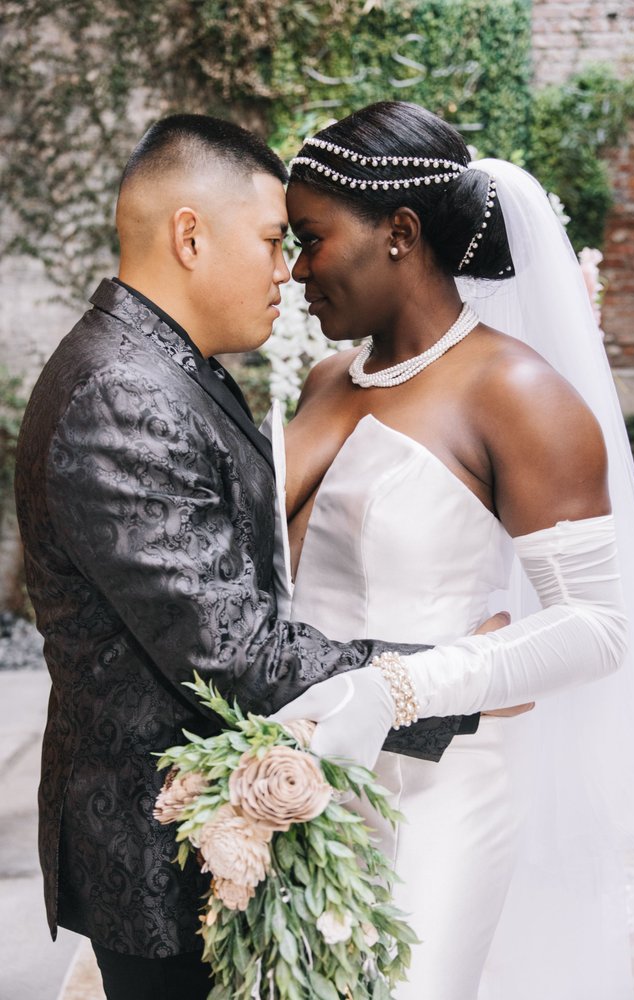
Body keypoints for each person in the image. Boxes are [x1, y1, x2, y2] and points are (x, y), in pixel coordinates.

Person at [15, 113, 494, 1000]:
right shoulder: (123, 392)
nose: (288, 269)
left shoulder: (167, 365)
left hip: (206, 839)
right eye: (274, 240)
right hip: (161, 857)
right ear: (189, 236)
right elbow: (233, 651)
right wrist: (459, 677)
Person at [271, 101, 634, 999]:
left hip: (439, 788)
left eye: (312, 240)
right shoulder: (326, 379)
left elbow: (597, 627)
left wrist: (397, 687)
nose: (296, 270)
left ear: (400, 233)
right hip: (299, 775)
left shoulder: (516, 391)